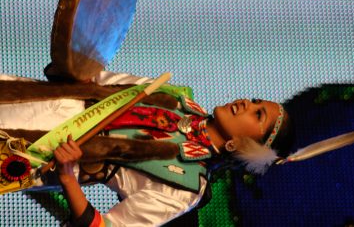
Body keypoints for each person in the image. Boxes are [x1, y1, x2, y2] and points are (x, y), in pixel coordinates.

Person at [0, 71, 294, 226]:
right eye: (256, 100)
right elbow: (91, 78)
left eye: (258, 114)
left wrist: (66, 175)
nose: (247, 103)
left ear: (246, 146)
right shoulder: (174, 95)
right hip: (22, 95)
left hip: (28, 153)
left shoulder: (186, 186)